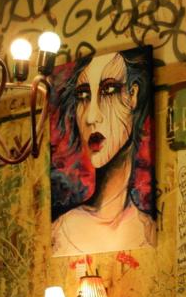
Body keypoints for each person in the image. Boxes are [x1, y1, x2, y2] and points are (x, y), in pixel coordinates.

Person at [50, 47, 155, 255]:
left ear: (132, 95)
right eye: (83, 95)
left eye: (108, 90)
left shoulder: (148, 230)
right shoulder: (61, 230)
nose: (91, 117)